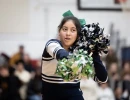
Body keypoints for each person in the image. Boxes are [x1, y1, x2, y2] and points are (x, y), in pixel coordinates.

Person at [41, 16, 108, 100]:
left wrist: (95, 54)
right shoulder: (52, 44)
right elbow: (61, 54)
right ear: (59, 31)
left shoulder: (80, 52)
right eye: (65, 29)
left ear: (78, 34)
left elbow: (102, 79)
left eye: (73, 30)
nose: (68, 33)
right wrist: (81, 56)